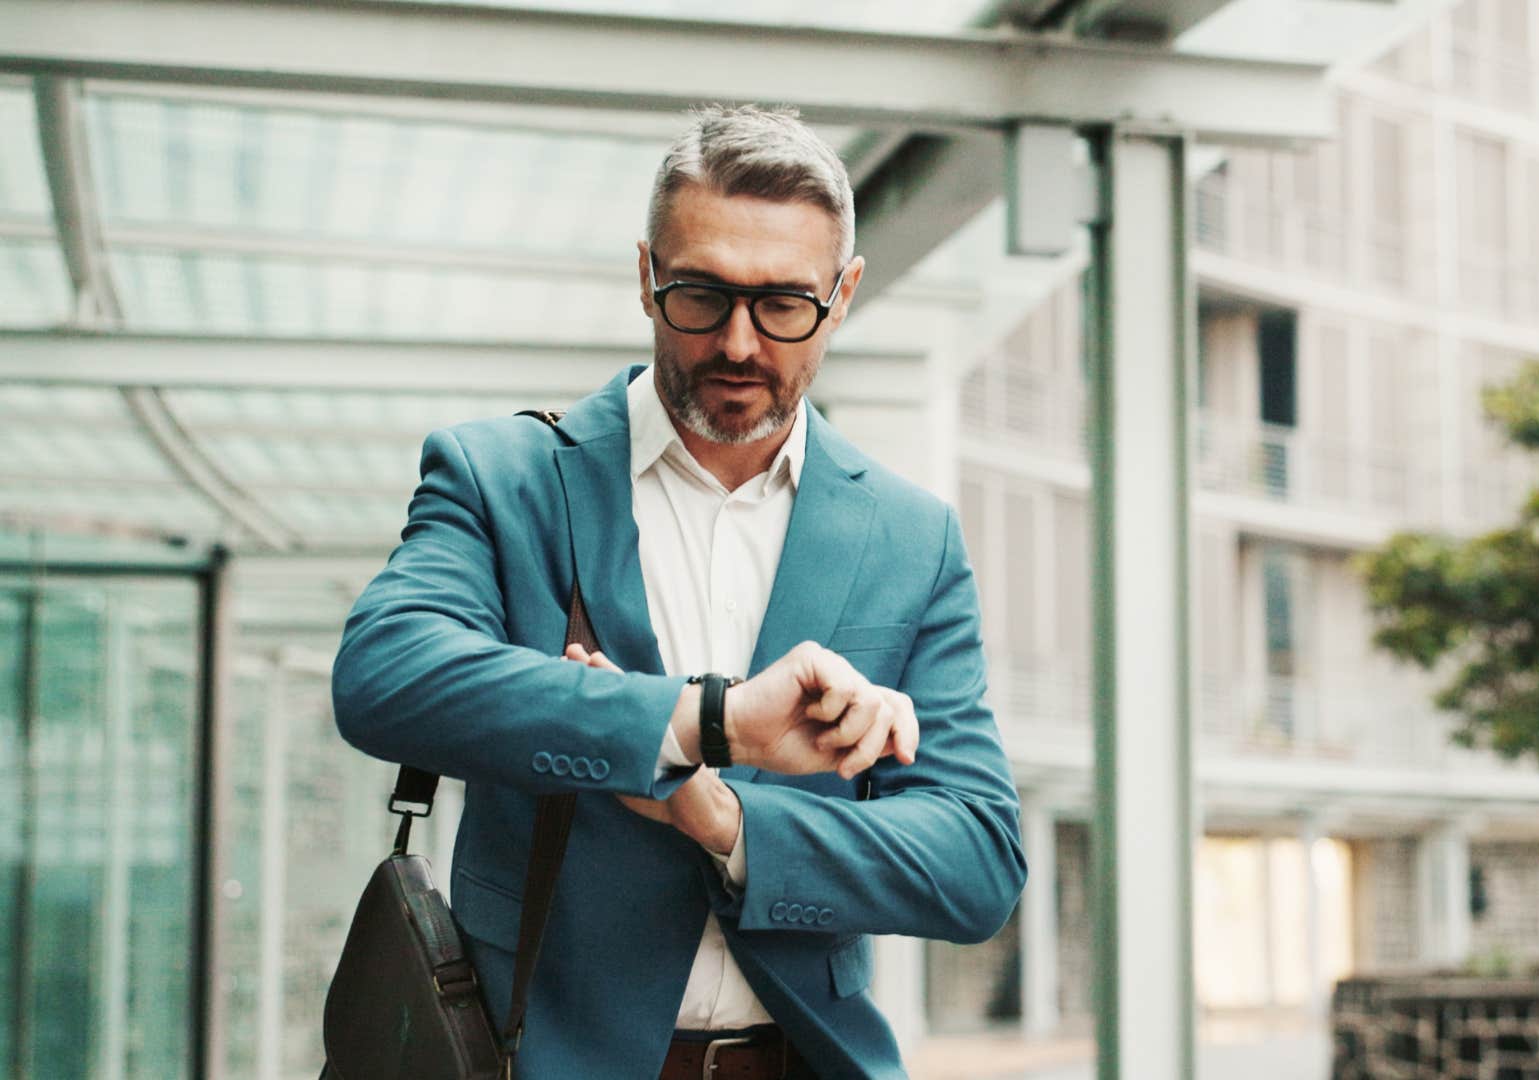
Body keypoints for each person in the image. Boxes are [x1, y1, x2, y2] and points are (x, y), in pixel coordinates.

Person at [332, 104, 1026, 1080]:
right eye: (702, 294)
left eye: (786, 304)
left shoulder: (911, 537)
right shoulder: (506, 479)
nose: (740, 343)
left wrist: (730, 820)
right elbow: (385, 678)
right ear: (647, 275)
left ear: (846, 291)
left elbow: (978, 862)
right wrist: (712, 721)